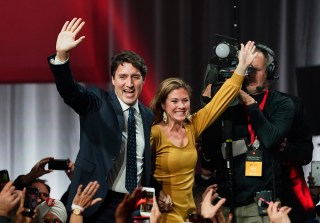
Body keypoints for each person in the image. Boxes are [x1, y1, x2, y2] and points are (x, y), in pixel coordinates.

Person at [47, 17, 153, 223]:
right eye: (122, 77)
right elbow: (70, 91)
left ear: (143, 80)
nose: (129, 83)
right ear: (113, 79)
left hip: (136, 206)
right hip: (98, 202)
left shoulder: (149, 116)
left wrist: (148, 211)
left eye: (135, 77)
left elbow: (148, 168)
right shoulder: (97, 102)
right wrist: (61, 56)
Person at [150, 41, 257, 222]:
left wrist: (241, 67)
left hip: (190, 214)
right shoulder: (155, 132)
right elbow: (141, 170)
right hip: (163, 214)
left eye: (185, 100)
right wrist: (155, 193)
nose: (181, 106)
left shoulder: (193, 125)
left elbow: (220, 100)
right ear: (162, 104)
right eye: (174, 101)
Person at [200, 43, 295, 222]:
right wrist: (209, 101)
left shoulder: (282, 104)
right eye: (246, 68)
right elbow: (211, 150)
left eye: (254, 69)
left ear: (270, 72)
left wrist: (248, 101)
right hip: (226, 205)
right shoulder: (228, 103)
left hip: (260, 208)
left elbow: (270, 139)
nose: (248, 74)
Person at [278, 93, 315, 223]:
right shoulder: (232, 104)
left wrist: (286, 148)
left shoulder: (293, 104)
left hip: (289, 192)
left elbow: (306, 154)